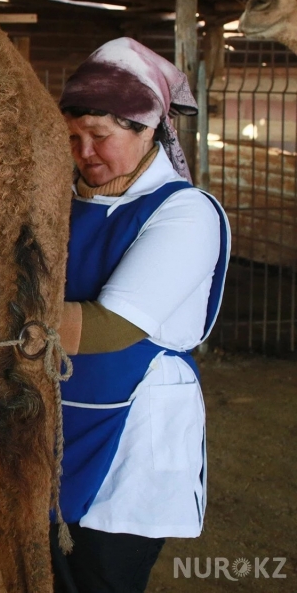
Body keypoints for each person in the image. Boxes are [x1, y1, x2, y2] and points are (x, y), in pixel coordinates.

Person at [52, 38, 230, 593]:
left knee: (104, 575)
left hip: (133, 427)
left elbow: (107, 328)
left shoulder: (184, 212)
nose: (85, 153)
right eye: (73, 138)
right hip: (60, 411)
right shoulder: (62, 200)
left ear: (149, 128)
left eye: (100, 137)